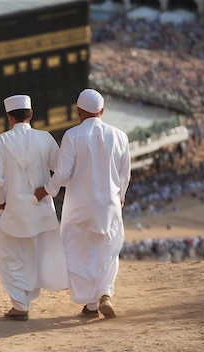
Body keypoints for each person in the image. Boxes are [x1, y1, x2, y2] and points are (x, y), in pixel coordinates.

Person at [35, 88, 131, 319]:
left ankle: (90, 304)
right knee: (107, 250)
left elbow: (63, 172)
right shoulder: (119, 136)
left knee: (78, 253)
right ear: (102, 111)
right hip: (108, 204)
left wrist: (47, 190)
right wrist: (121, 196)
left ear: (79, 112)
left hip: (78, 206)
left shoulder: (72, 135)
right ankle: (105, 293)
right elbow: (124, 174)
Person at [0, 94, 69, 321]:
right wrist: (49, 190)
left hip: (13, 211)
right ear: (31, 114)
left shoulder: (1, 141)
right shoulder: (45, 138)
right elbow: (61, 170)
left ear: (9, 117)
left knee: (10, 257)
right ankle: (26, 300)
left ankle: (20, 304)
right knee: (35, 257)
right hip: (41, 210)